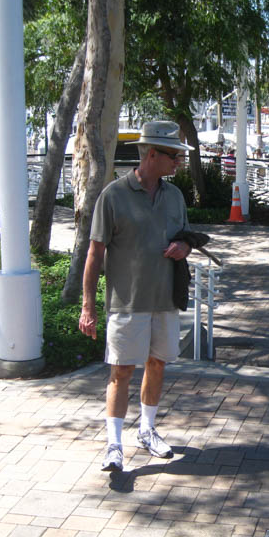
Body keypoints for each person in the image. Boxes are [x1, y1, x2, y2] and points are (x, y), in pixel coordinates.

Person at [78, 121, 194, 472]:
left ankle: (147, 430)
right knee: (122, 371)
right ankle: (114, 445)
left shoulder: (174, 195)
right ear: (152, 154)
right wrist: (88, 306)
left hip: (166, 301)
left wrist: (183, 247)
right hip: (126, 303)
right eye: (174, 156)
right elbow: (94, 254)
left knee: (157, 365)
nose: (179, 163)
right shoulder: (113, 195)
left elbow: (186, 238)